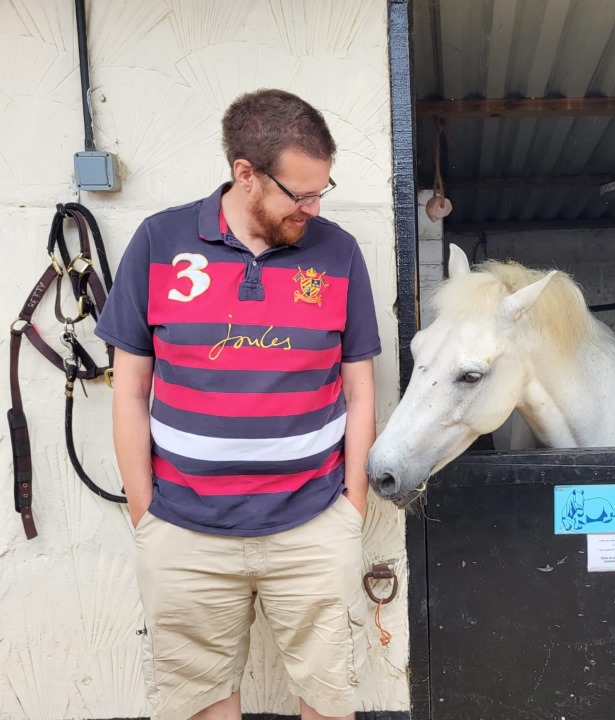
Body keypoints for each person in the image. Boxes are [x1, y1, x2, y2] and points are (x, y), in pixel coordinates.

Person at [95, 89, 380, 720]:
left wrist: (349, 510)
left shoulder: (338, 254)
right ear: (244, 174)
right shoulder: (159, 243)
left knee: (330, 701)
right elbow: (130, 391)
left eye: (320, 191)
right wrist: (147, 516)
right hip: (184, 531)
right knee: (197, 703)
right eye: (298, 194)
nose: (312, 207)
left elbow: (360, 389)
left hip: (312, 524)